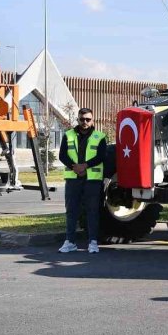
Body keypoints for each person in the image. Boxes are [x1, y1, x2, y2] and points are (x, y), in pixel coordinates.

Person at [57, 108, 107, 253]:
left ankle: (92, 242)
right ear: (78, 120)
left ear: (92, 121)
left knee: (92, 211)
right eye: (82, 119)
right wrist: (75, 167)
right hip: (73, 179)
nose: (84, 122)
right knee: (71, 211)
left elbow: (101, 156)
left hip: (92, 180)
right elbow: (62, 155)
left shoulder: (100, 136)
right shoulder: (68, 135)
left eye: (88, 119)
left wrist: (85, 166)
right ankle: (70, 242)